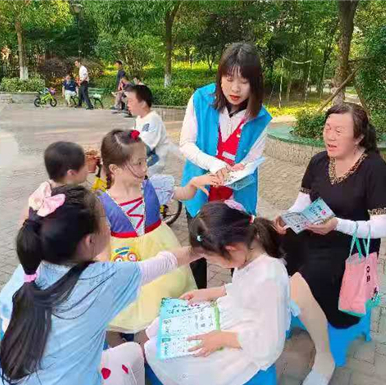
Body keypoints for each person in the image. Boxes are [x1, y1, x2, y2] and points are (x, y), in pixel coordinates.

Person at [0, 184, 200, 385]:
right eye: (104, 219)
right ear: (89, 241)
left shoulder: (25, 273)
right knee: (133, 353)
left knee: (124, 357)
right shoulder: (101, 280)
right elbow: (164, 262)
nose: (109, 224)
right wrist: (200, 249)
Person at [275, 103, 386, 385]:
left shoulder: (375, 169)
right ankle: (279, 313)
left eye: (339, 131)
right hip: (314, 234)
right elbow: (302, 204)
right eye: (327, 128)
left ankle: (325, 358)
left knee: (299, 286)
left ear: (359, 136)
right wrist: (286, 218)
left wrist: (338, 225)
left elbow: (382, 227)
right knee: (265, 249)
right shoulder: (318, 161)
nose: (330, 136)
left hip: (349, 248)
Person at [145, 202, 291, 385]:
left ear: (230, 249)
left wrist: (221, 338)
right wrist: (209, 293)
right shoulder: (249, 250)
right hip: (234, 321)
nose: (215, 264)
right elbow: (244, 290)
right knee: (158, 332)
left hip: (248, 344)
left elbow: (269, 342)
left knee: (158, 350)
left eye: (213, 259)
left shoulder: (269, 277)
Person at [98, 129, 220, 337]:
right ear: (114, 169)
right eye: (138, 163)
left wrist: (193, 183)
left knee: (165, 301)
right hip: (126, 259)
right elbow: (102, 249)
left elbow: (184, 194)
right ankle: (138, 346)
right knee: (133, 309)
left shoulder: (152, 186)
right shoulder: (101, 204)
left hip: (162, 251)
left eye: (145, 161)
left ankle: (159, 344)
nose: (145, 168)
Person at [180, 42, 272, 289]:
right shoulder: (200, 100)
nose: (235, 88)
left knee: (238, 255)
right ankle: (198, 298)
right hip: (201, 193)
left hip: (236, 199)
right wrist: (214, 164)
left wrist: (240, 168)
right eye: (229, 79)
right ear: (220, 76)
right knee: (199, 252)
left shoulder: (261, 117)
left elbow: (252, 159)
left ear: (255, 83)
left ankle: (238, 299)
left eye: (244, 81)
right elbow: (186, 144)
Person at [19, 142, 89, 224]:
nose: (87, 167)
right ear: (71, 173)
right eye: (85, 164)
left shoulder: (41, 192)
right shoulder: (80, 201)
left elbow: (24, 222)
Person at [126, 84, 170, 175]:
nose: (128, 104)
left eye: (130, 101)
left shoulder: (152, 119)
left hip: (152, 163)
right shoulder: (140, 118)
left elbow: (145, 148)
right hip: (143, 160)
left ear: (143, 103)